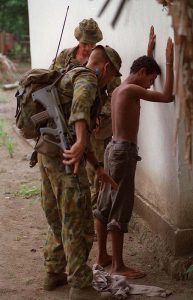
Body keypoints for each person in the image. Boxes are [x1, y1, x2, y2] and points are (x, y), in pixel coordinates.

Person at [38, 45, 122, 300]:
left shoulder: (70, 73)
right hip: (66, 160)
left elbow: (68, 127)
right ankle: (81, 286)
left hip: (48, 153)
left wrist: (97, 166)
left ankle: (54, 272)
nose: (109, 82)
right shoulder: (88, 78)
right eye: (112, 76)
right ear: (106, 69)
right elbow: (80, 108)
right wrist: (82, 142)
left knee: (57, 218)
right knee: (79, 222)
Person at [94, 37, 174, 279]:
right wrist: (169, 62)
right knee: (120, 206)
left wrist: (149, 52)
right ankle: (118, 266)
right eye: (150, 80)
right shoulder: (131, 89)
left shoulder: (120, 88)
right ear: (142, 72)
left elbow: (144, 74)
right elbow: (168, 96)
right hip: (123, 153)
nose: (151, 86)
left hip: (112, 150)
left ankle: (102, 257)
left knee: (104, 205)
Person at [50, 18, 121, 211]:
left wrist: (101, 114)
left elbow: (115, 93)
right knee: (69, 167)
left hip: (94, 124)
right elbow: (53, 83)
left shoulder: (104, 60)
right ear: (78, 40)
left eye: (92, 43)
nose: (89, 47)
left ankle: (93, 211)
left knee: (94, 169)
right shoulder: (65, 57)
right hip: (67, 123)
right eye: (85, 43)